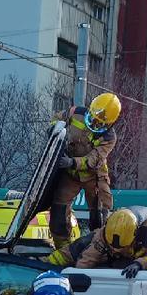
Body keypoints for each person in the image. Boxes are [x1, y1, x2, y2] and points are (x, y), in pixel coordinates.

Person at [47, 92, 122, 249]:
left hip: (93, 176)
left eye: (99, 123)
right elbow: (56, 119)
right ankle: (63, 249)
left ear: (110, 124)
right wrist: (53, 130)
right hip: (70, 174)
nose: (94, 124)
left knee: (98, 217)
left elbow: (94, 159)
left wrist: (71, 162)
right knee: (58, 212)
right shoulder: (75, 113)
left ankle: (99, 250)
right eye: (93, 119)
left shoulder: (109, 138)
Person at [45, 206, 147, 278]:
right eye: (112, 247)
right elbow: (89, 257)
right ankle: (46, 263)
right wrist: (77, 275)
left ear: (135, 235)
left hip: (140, 255)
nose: (115, 250)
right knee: (82, 244)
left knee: (121, 265)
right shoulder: (106, 231)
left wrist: (139, 264)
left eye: (120, 248)